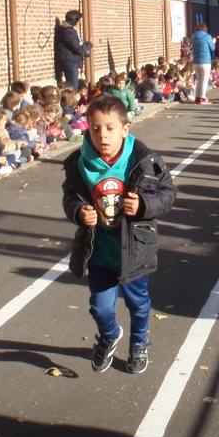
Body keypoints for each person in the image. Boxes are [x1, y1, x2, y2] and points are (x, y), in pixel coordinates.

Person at [61, 94, 177, 375]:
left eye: (110, 128)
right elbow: (69, 197)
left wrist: (144, 205)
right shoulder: (79, 164)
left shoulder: (144, 160)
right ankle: (110, 334)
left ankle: (139, 342)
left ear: (125, 129)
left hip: (135, 249)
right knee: (100, 307)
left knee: (138, 303)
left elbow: (168, 194)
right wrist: (78, 211)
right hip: (99, 251)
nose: (103, 135)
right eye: (95, 128)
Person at [54, 10, 93, 85]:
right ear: (75, 21)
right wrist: (90, 44)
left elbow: (72, 47)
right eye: (79, 20)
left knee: (72, 85)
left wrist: (84, 53)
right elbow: (77, 48)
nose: (79, 23)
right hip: (70, 63)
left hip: (69, 62)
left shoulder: (65, 29)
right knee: (73, 86)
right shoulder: (69, 31)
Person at [189, 22, 216, 104]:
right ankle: (203, 98)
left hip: (196, 61)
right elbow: (212, 48)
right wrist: (213, 42)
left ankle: (197, 97)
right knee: (204, 80)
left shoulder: (193, 37)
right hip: (205, 61)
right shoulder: (207, 36)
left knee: (199, 80)